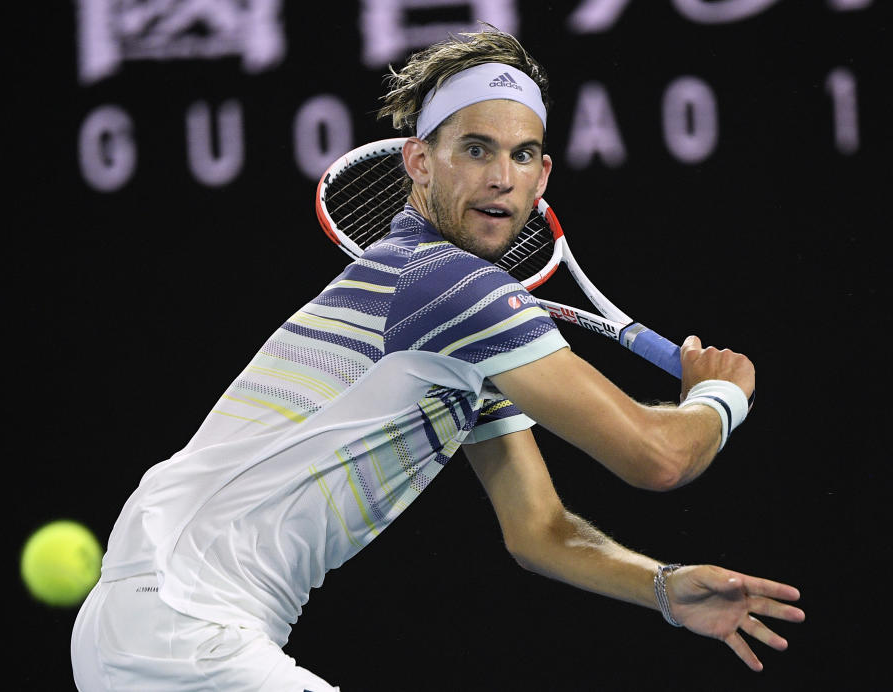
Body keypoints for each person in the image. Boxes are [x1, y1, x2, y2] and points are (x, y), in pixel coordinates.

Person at [71, 28, 804, 691]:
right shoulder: (444, 283)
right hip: (185, 625)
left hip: (145, 622)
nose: (500, 178)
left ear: (543, 176)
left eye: (521, 156)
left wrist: (663, 588)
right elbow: (657, 458)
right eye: (476, 150)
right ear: (419, 162)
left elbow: (538, 529)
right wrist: (721, 398)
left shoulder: (452, 315)